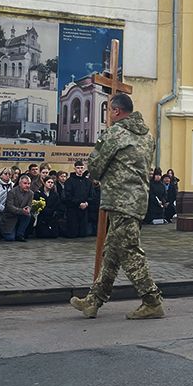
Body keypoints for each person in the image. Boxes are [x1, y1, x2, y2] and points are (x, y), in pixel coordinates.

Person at [69, 93, 165, 319]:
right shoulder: (147, 136)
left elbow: (94, 165)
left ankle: (152, 300)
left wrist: (99, 174)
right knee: (112, 253)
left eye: (109, 110)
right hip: (138, 200)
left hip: (120, 201)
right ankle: (94, 301)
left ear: (116, 111)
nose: (108, 115)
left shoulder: (115, 133)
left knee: (129, 252)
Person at [62, 160, 93, 238]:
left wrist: (86, 203)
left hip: (84, 209)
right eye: (78, 168)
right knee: (73, 233)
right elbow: (67, 196)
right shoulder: (69, 181)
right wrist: (78, 203)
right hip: (73, 209)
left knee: (83, 234)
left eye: (81, 168)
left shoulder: (88, 182)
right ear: (74, 168)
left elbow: (92, 195)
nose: (80, 170)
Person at [1, 174, 34, 242]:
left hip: (21, 215)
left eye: (29, 183)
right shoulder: (12, 192)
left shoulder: (31, 193)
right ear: (19, 183)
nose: (27, 185)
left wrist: (28, 209)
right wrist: (22, 210)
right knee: (10, 238)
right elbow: (10, 207)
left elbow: (29, 205)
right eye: (25, 183)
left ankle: (20, 234)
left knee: (28, 216)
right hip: (10, 217)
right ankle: (4, 230)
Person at [34, 174, 63, 238]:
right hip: (42, 217)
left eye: (52, 183)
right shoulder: (38, 193)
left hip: (52, 217)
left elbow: (57, 205)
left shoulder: (55, 195)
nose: (50, 184)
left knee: (54, 235)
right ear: (44, 183)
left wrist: (53, 212)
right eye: (48, 182)